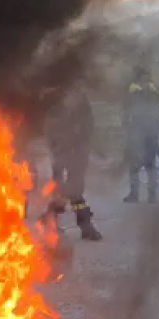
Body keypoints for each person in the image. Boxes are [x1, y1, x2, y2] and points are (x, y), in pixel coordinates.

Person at [43, 83, 103, 241]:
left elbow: (89, 125)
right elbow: (49, 127)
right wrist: (56, 147)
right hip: (62, 151)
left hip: (77, 151)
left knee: (75, 189)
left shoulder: (80, 101)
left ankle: (81, 226)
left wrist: (82, 144)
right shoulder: (55, 100)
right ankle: (56, 224)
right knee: (60, 189)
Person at [123, 66, 159, 203]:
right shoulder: (154, 90)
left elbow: (128, 109)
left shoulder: (134, 90)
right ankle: (151, 195)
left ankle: (135, 194)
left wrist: (127, 124)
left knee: (136, 164)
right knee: (149, 164)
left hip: (139, 131)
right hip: (150, 130)